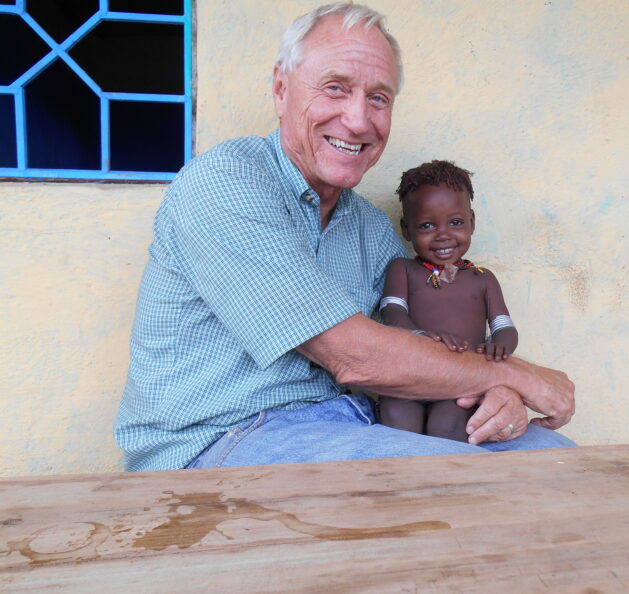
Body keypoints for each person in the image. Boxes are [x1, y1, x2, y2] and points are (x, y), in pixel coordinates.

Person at [114, 3, 575, 472]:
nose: (357, 120)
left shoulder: (372, 230)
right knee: (460, 481)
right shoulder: (226, 182)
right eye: (335, 88)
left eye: (378, 98)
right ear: (281, 89)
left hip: (348, 426)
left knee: (556, 461)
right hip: (219, 442)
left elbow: (413, 350)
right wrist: (516, 374)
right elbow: (356, 357)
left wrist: (496, 393)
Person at [379, 160, 518, 441]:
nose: (443, 235)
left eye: (456, 223)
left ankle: (445, 485)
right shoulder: (403, 269)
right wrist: (421, 336)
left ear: (472, 222)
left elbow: (504, 325)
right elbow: (392, 312)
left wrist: (498, 347)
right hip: (407, 377)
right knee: (398, 420)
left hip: (459, 382)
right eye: (427, 225)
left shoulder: (482, 278)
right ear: (406, 229)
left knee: (450, 425)